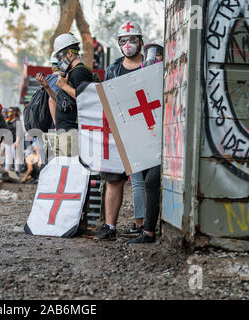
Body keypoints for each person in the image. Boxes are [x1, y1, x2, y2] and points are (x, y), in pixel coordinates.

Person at [95, 21, 147, 241]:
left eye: (133, 39)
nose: (128, 45)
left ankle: (141, 225)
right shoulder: (113, 69)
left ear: (141, 42)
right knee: (114, 179)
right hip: (119, 132)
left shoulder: (152, 65)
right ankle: (110, 227)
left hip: (146, 132)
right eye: (123, 41)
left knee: (141, 181)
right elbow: (107, 100)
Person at [124, 40, 165, 236]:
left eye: (157, 53)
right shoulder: (139, 78)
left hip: (166, 142)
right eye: (151, 53)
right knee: (148, 182)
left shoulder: (168, 76)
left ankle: (148, 230)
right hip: (149, 140)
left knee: (151, 181)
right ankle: (147, 228)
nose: (153, 57)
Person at [52, 32, 94, 157]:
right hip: (66, 132)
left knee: (71, 170)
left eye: (60, 57)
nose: (59, 61)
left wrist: (64, 86)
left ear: (69, 54)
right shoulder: (71, 73)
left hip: (73, 132)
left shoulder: (79, 72)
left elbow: (86, 98)